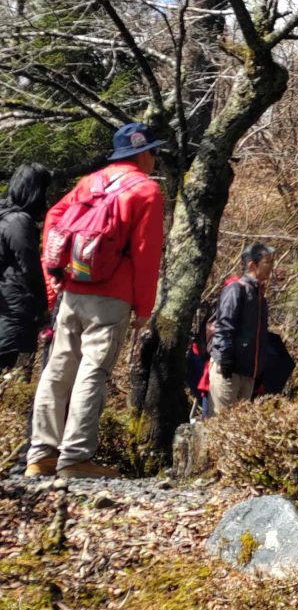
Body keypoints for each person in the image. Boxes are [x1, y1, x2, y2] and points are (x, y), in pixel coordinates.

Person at [26, 122, 165, 479]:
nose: (155, 159)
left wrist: (54, 275)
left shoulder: (91, 182)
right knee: (93, 370)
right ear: (142, 154)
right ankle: (75, 458)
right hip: (112, 295)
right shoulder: (146, 191)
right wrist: (144, 307)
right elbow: (146, 253)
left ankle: (40, 454)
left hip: (72, 288)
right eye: (153, 151)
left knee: (57, 369)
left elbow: (54, 217)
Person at [208, 244, 274, 415]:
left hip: (248, 373)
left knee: (238, 425)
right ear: (252, 265)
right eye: (267, 261)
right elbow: (224, 326)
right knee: (221, 423)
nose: (271, 266)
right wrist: (225, 359)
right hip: (228, 370)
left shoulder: (260, 296)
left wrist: (259, 369)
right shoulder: (236, 289)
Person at [0, 163, 52, 372]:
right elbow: (30, 268)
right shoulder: (20, 221)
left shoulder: (3, 213)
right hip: (13, 310)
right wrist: (43, 309)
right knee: (10, 367)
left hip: (5, 304)